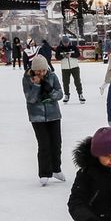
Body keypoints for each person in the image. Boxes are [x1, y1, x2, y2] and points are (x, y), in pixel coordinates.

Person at [24, 55, 66, 186]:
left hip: (54, 115)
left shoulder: (52, 76)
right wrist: (36, 86)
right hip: (37, 117)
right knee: (44, 145)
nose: (41, 73)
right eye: (38, 71)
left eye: (43, 70)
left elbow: (59, 95)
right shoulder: (27, 79)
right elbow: (30, 99)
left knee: (56, 143)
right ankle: (44, 172)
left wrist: (50, 90)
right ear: (33, 70)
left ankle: (56, 169)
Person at [57, 37, 85, 104]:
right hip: (65, 68)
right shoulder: (59, 48)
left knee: (77, 81)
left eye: (67, 43)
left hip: (74, 67)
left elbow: (78, 54)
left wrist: (71, 55)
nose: (66, 44)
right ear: (62, 42)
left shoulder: (73, 46)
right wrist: (63, 56)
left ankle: (80, 94)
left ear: (69, 42)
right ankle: (66, 95)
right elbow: (57, 57)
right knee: (66, 82)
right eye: (64, 43)